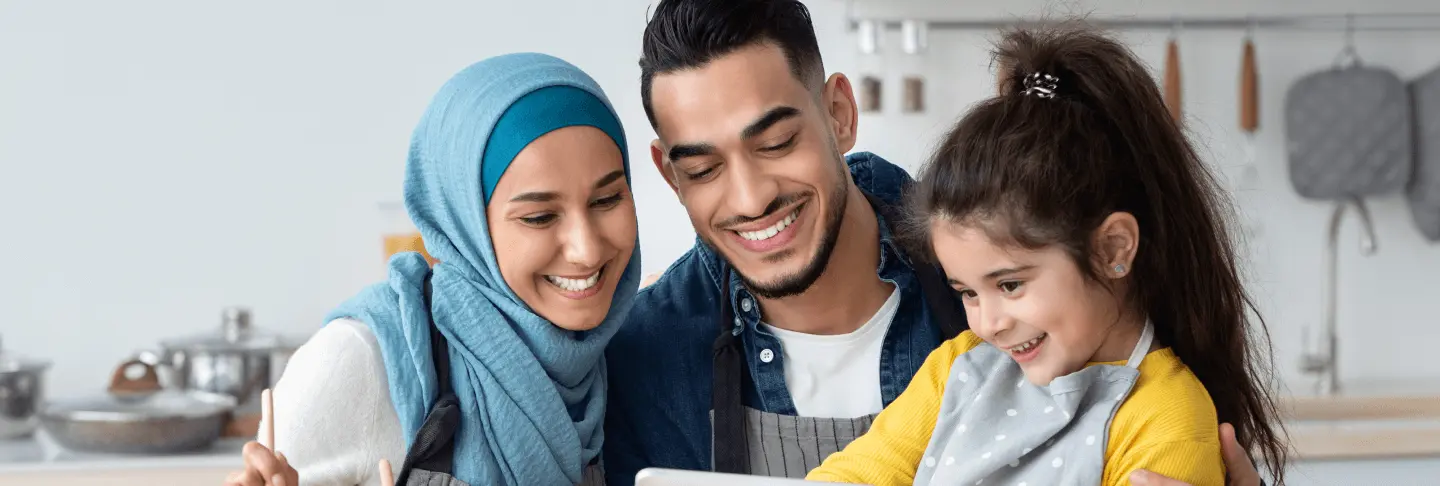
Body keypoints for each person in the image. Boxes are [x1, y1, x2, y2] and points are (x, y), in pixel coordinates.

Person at [602, 1, 1268, 486]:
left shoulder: (973, 265)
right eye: (703, 169)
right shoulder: (645, 355)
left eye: (776, 143)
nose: (750, 199)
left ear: (839, 114)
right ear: (669, 174)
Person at [804, 24, 1288, 486]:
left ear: (1113, 249)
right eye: (967, 292)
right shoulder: (958, 369)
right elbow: (857, 472)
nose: (988, 324)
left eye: (1010, 284)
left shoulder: (1167, 422)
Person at [222, 52, 641, 486]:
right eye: (539, 217)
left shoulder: (622, 354)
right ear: (463, 223)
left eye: (607, 200)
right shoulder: (361, 361)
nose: (587, 251)